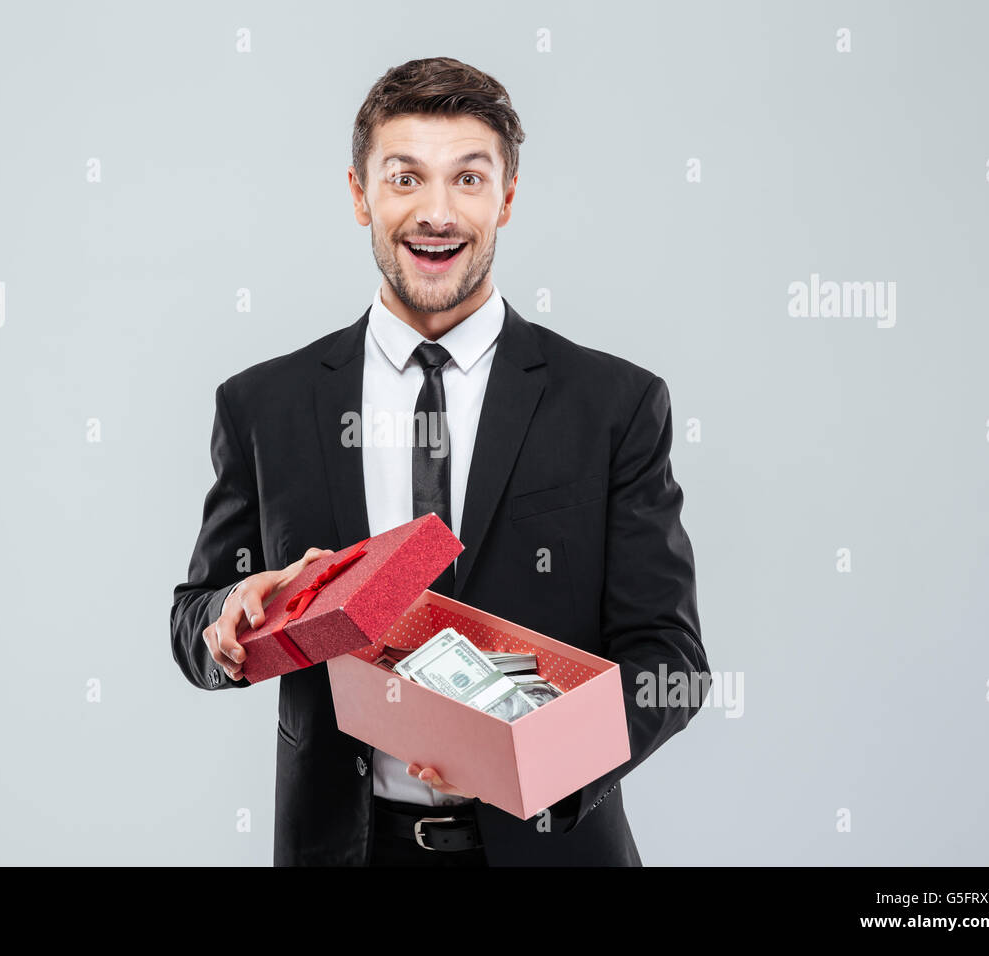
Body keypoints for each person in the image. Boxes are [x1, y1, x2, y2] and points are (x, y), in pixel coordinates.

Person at [170, 56, 708, 866]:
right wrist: (227, 620)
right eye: (405, 178)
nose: (436, 213)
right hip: (344, 849)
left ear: (508, 197)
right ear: (360, 195)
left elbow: (672, 661)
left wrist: (543, 767)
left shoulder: (612, 405)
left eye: (467, 178)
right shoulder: (264, 406)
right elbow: (193, 621)